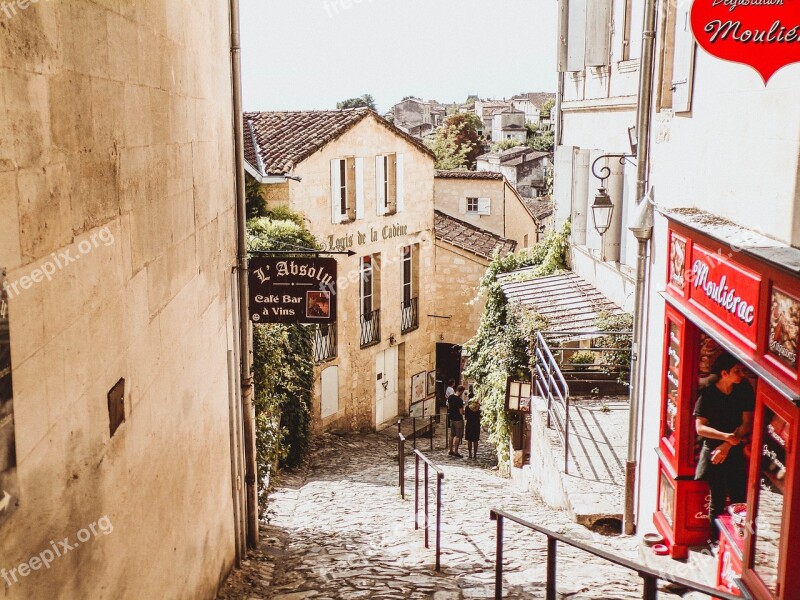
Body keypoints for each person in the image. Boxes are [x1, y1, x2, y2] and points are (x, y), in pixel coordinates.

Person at [693, 353, 754, 542]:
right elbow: (700, 428)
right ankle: (714, 541)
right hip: (713, 450)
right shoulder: (708, 395)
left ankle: (738, 541)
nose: (741, 374)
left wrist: (727, 444)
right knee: (717, 498)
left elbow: (747, 423)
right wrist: (724, 437)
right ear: (724, 373)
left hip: (732, 449)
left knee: (738, 498)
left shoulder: (743, 391)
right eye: (737, 371)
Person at [448, 385, 466, 458]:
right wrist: (464, 412)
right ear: (461, 391)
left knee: (451, 435)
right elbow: (461, 412)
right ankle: (456, 451)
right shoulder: (459, 400)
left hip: (451, 418)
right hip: (458, 419)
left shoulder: (450, 397)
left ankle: (450, 450)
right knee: (458, 436)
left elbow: (449, 407)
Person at [464, 394, 481, 459]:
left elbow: (466, 417)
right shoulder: (478, 407)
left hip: (469, 424)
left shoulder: (467, 407)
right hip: (476, 424)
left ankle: (470, 454)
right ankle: (475, 455)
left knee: (469, 440)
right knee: (476, 440)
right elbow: (480, 416)